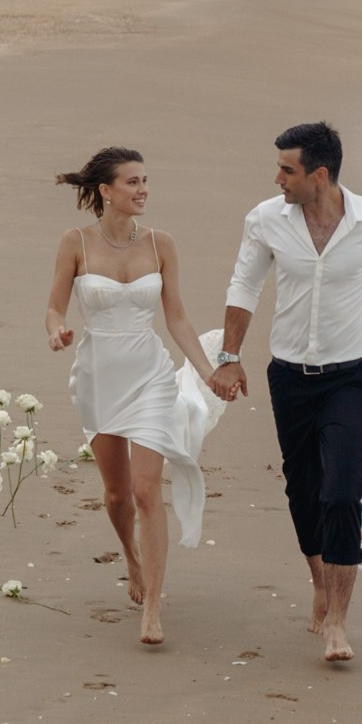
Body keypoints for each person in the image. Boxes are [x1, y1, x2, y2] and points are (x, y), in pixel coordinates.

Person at [213, 120, 362, 665]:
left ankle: (338, 621)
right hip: (289, 374)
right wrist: (230, 357)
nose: (277, 177)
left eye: (288, 168)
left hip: (351, 376)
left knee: (341, 492)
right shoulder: (265, 220)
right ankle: (321, 581)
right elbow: (244, 284)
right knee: (304, 490)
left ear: (319, 175)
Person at [46, 147, 238, 647]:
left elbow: (176, 318)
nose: (142, 190)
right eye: (132, 182)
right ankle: (131, 558)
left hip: (150, 375)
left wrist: (209, 370)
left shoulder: (161, 244)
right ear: (106, 190)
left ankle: (153, 605)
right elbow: (53, 309)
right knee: (116, 494)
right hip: (97, 377)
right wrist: (58, 331)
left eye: (145, 180)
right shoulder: (76, 243)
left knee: (147, 490)